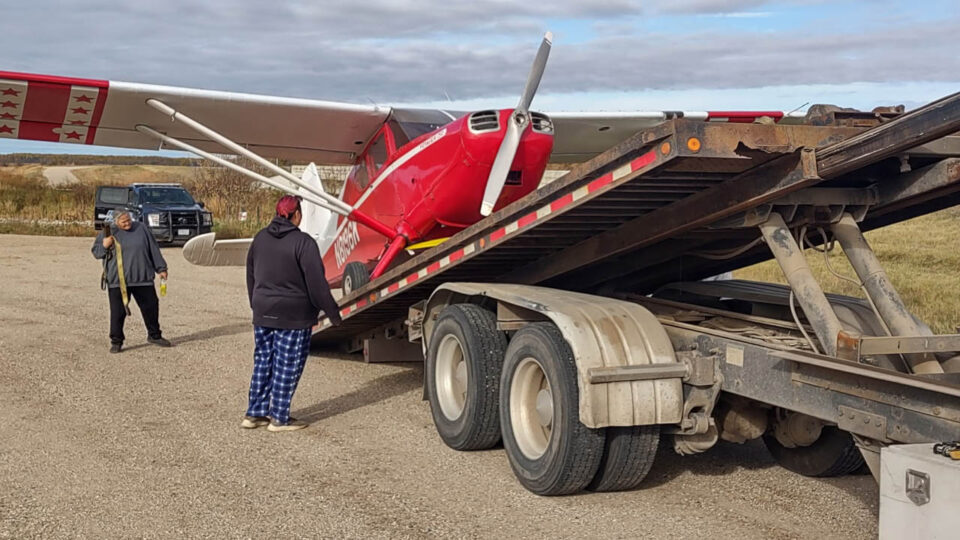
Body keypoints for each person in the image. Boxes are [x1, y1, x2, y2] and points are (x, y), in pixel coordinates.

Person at [243, 195, 342, 432]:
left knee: (263, 361)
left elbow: (250, 276)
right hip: (294, 315)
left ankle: (254, 413)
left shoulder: (260, 239)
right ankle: (279, 417)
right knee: (287, 364)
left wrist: (256, 305)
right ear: (296, 214)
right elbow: (317, 284)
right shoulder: (304, 243)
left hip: (263, 311)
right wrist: (334, 314)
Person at [91, 210, 172, 353]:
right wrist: (104, 245)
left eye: (128, 220)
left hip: (143, 278)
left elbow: (153, 249)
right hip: (118, 281)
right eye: (123, 222)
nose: (127, 223)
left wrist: (161, 268)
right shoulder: (108, 231)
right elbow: (97, 253)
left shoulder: (141, 228)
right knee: (118, 312)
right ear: (116, 222)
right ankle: (116, 341)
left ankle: (154, 335)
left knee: (151, 307)